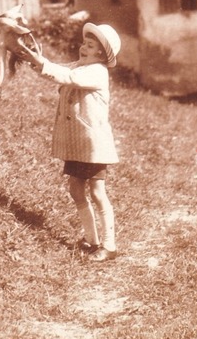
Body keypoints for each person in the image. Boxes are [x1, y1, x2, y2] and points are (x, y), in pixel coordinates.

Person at [20, 21, 123, 261]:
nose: (83, 48)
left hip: (94, 144)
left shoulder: (97, 71)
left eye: (89, 45)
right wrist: (35, 59)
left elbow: (65, 75)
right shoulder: (79, 66)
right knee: (76, 189)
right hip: (78, 143)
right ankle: (91, 240)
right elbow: (55, 69)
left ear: (101, 53)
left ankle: (109, 245)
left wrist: (41, 62)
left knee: (97, 192)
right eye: (84, 43)